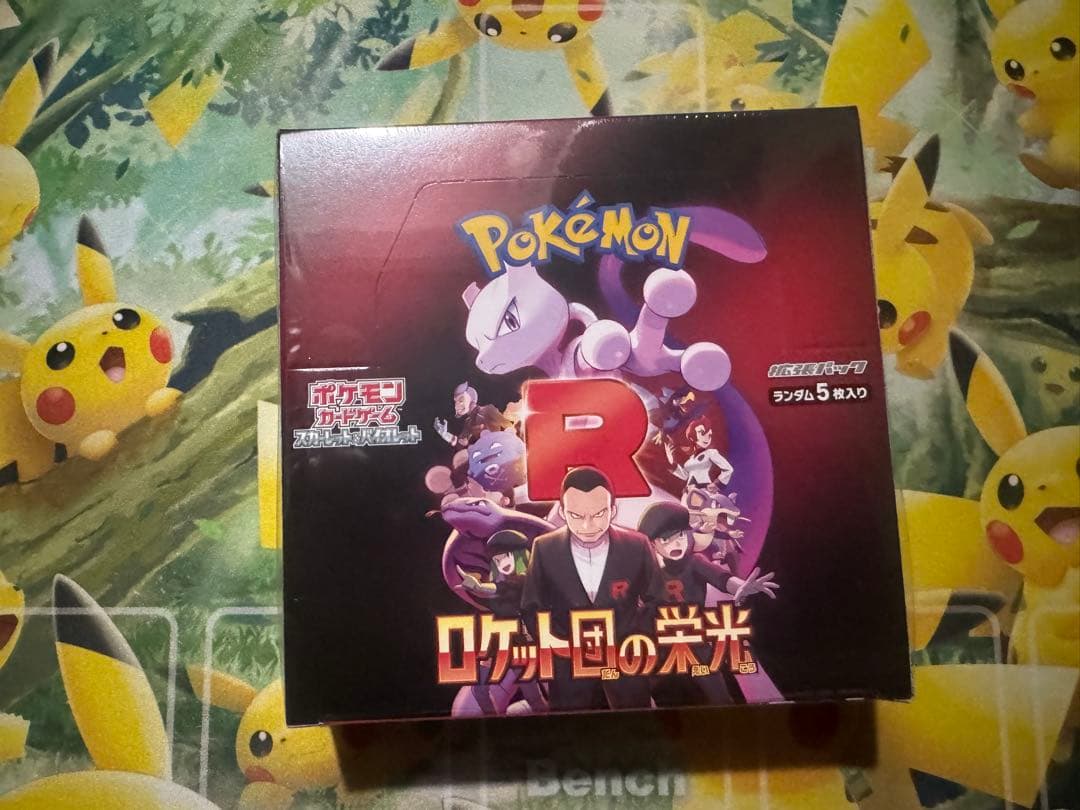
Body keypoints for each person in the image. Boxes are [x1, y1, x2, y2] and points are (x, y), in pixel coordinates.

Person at [521, 467, 666, 711]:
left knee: (636, 730)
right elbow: (531, 606)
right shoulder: (544, 547)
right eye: (576, 515)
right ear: (562, 512)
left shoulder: (637, 545)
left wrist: (633, 639)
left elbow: (658, 601)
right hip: (569, 672)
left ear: (613, 510)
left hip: (627, 664)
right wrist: (560, 646)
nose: (587, 525)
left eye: (599, 514)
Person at [638, 501, 778, 706]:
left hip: (694, 639)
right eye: (666, 539)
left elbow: (721, 578)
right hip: (658, 644)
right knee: (641, 691)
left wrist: (740, 587)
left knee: (720, 696)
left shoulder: (694, 562)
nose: (675, 544)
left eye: (680, 536)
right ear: (653, 544)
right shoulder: (647, 570)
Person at [433, 382, 510, 448]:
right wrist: (445, 435)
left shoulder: (488, 410)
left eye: (461, 400)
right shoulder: (468, 422)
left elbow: (508, 425)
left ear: (471, 398)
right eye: (455, 402)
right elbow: (461, 444)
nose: (456, 406)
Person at [665, 416, 734, 489]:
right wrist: (672, 465)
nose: (707, 437)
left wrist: (717, 484)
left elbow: (728, 469)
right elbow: (685, 476)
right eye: (702, 433)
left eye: (709, 434)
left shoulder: (711, 453)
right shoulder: (691, 459)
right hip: (690, 491)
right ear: (692, 437)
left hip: (704, 489)